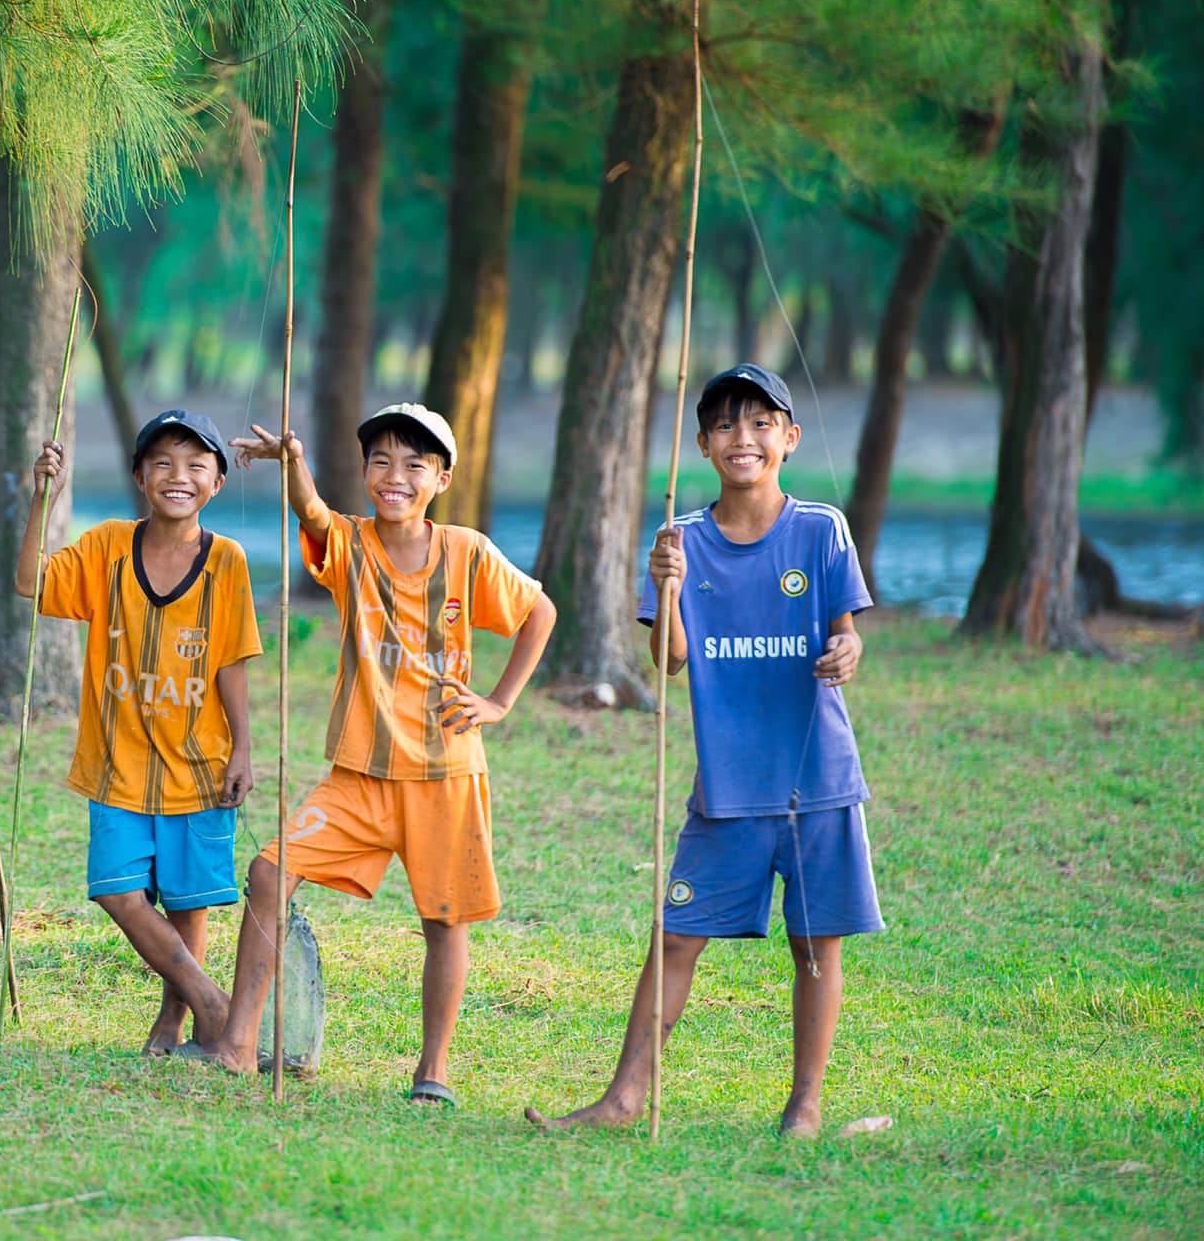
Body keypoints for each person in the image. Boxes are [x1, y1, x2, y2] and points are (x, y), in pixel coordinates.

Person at [527, 363, 883, 1138]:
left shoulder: (822, 529)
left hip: (815, 779)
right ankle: (624, 1100)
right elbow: (669, 663)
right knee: (677, 935)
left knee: (815, 946)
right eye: (725, 424)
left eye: (760, 423)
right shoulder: (680, 539)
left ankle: (805, 1106)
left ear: (788, 438)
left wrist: (845, 653)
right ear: (702, 444)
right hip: (727, 784)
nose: (743, 438)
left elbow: (845, 633)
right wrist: (673, 588)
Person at [182, 403, 556, 1107]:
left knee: (444, 922)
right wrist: (294, 464)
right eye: (381, 462)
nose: (396, 477)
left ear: (441, 479)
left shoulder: (468, 551)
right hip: (359, 776)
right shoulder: (350, 544)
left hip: (446, 776)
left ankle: (433, 1074)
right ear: (364, 472)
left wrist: (499, 701)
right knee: (269, 873)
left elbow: (540, 612)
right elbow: (314, 513)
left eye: (415, 466)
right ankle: (235, 1044)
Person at [15, 410, 262, 1054]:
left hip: (199, 763)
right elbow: (30, 581)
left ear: (216, 484)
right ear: (138, 477)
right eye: (162, 463)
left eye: (195, 466)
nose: (177, 477)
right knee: (117, 891)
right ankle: (214, 1005)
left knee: (188, 903)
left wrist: (242, 746)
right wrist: (44, 497)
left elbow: (232, 659)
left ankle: (174, 1022)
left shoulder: (226, 562)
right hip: (116, 762)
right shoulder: (105, 548)